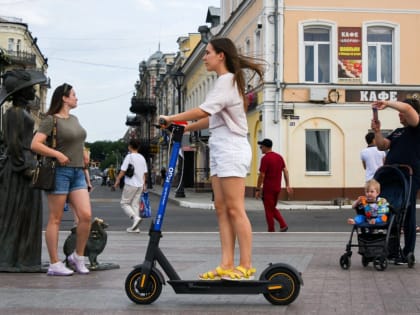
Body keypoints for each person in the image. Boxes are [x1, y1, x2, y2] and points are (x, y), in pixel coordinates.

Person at [159, 37, 264, 280]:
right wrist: (186, 128)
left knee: (236, 209)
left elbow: (204, 110)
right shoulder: (222, 83)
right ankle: (226, 263)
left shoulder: (226, 82)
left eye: (207, 53)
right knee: (221, 208)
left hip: (231, 148)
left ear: (221, 56)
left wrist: (172, 118)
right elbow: (212, 117)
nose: (204, 57)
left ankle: (245, 265)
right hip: (219, 147)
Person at [31, 83, 92, 276]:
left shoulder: (74, 118)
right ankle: (54, 263)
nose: (76, 98)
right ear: (64, 98)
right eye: (73, 95)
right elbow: (35, 144)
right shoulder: (51, 120)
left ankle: (78, 257)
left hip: (77, 172)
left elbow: (77, 140)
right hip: (59, 172)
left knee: (86, 216)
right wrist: (57, 155)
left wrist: (84, 152)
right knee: (55, 219)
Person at [0, 69, 47, 272]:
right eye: (30, 89)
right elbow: (14, 144)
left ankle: (26, 259)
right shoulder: (15, 113)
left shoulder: (23, 112)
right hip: (19, 169)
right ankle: (9, 259)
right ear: (20, 92)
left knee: (29, 214)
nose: (34, 92)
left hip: (26, 164)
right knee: (16, 214)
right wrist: (25, 167)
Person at [372, 98, 420, 262]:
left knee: (408, 212)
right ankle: (391, 249)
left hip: (409, 175)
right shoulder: (398, 131)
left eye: (401, 113)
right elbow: (382, 146)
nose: (399, 114)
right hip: (391, 174)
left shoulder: (417, 126)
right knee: (389, 209)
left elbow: (406, 108)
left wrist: (387, 103)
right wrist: (377, 132)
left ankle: (408, 251)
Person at [255, 138, 293, 232]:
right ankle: (282, 225)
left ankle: (272, 229)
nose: (260, 148)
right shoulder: (279, 157)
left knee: (268, 210)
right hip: (277, 188)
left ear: (266, 147)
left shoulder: (265, 159)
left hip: (268, 188)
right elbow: (285, 171)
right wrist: (287, 185)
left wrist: (257, 189)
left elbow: (262, 175)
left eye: (261, 146)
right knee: (271, 208)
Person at [114, 139, 148, 233]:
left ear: (129, 146)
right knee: (135, 204)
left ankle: (135, 218)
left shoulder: (129, 157)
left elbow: (123, 170)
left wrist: (117, 180)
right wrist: (144, 184)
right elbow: (144, 173)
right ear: (138, 147)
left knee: (124, 203)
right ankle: (135, 227)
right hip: (140, 184)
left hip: (131, 183)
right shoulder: (142, 157)